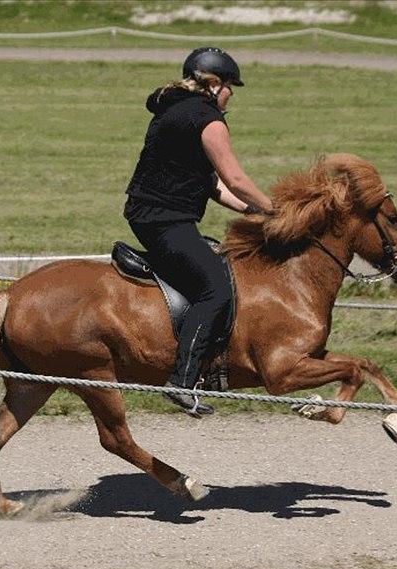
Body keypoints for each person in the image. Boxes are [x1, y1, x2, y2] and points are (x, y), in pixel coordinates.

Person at [124, 47, 274, 417]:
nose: (232, 94)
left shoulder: (174, 110)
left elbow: (213, 187)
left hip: (150, 214)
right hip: (165, 220)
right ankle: (184, 379)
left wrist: (254, 212)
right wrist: (278, 211)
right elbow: (235, 179)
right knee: (215, 288)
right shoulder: (207, 119)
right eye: (229, 86)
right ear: (212, 84)